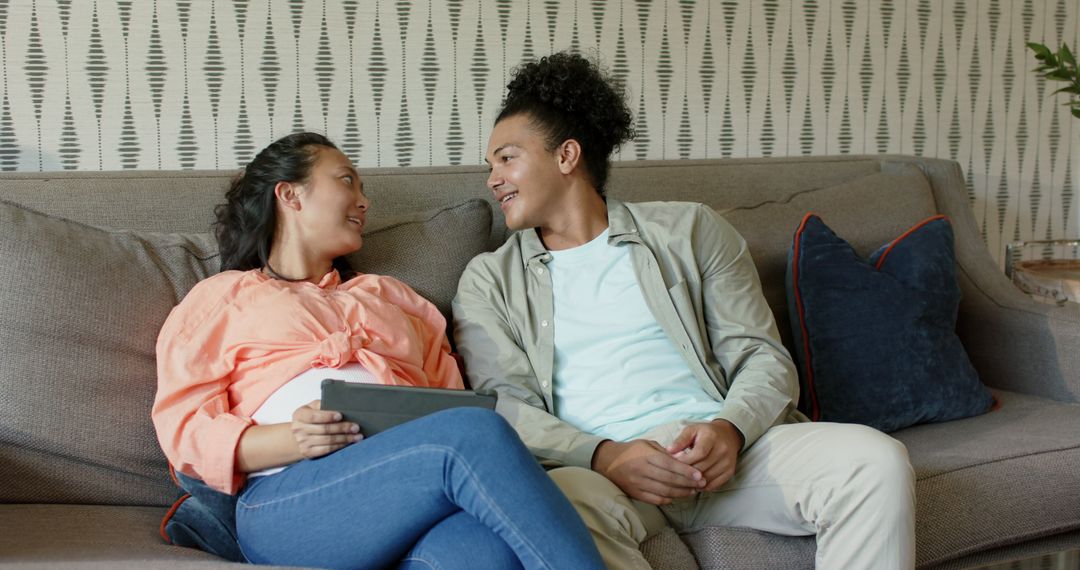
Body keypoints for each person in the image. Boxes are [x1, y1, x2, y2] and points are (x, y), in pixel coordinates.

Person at [452, 51, 916, 569]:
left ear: (566, 156)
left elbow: (763, 357)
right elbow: (508, 410)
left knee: (875, 462)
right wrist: (606, 456)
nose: (492, 178)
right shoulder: (488, 281)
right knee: (550, 508)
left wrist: (731, 428)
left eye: (506, 157)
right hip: (601, 474)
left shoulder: (691, 230)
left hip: (721, 451)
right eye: (489, 165)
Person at [152, 132, 605, 570]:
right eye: (346, 180)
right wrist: (290, 439)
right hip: (286, 500)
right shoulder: (221, 297)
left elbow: (446, 402)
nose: (364, 201)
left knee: (484, 552)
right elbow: (184, 425)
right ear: (290, 195)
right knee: (474, 431)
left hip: (411, 498)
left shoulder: (394, 299)